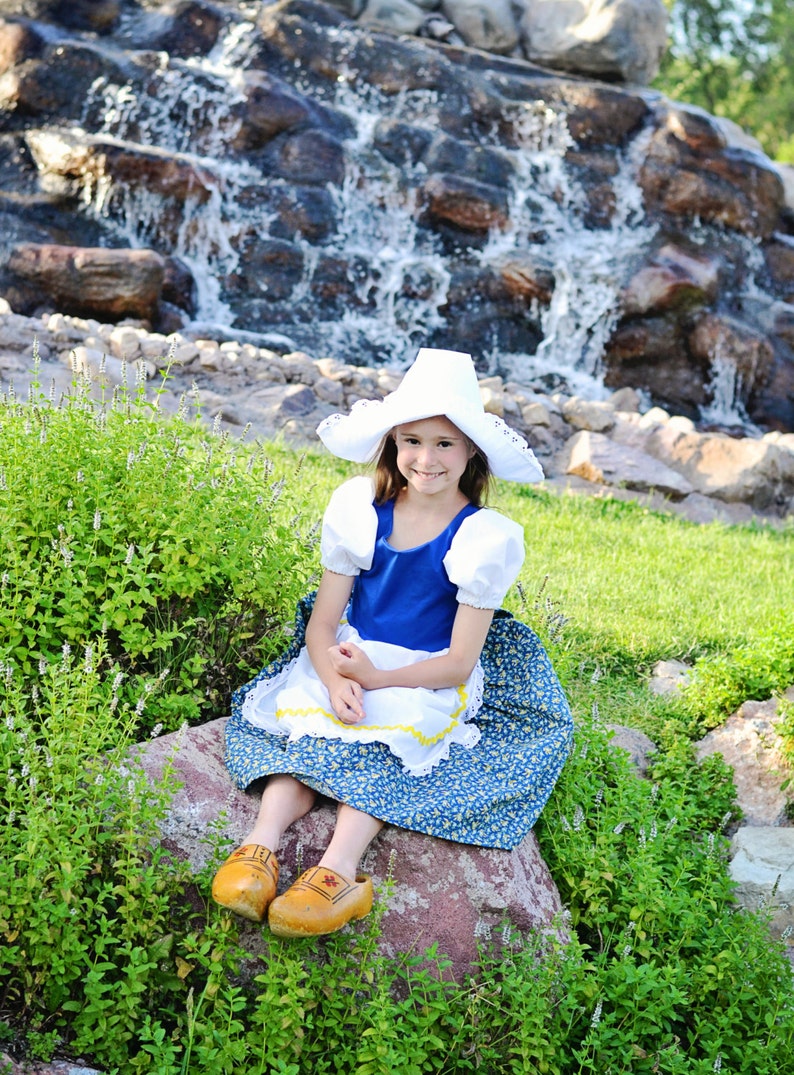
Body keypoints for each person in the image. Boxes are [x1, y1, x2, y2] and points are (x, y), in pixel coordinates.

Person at [211, 347, 573, 938]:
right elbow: (323, 624)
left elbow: (458, 663)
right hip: (350, 653)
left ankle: (336, 873)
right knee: (306, 736)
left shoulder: (482, 536)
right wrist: (335, 677)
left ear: (471, 452)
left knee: (388, 751)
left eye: (444, 444)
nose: (425, 459)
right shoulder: (361, 508)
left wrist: (375, 679)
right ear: (393, 445)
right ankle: (259, 849)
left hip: (421, 673)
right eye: (411, 441)